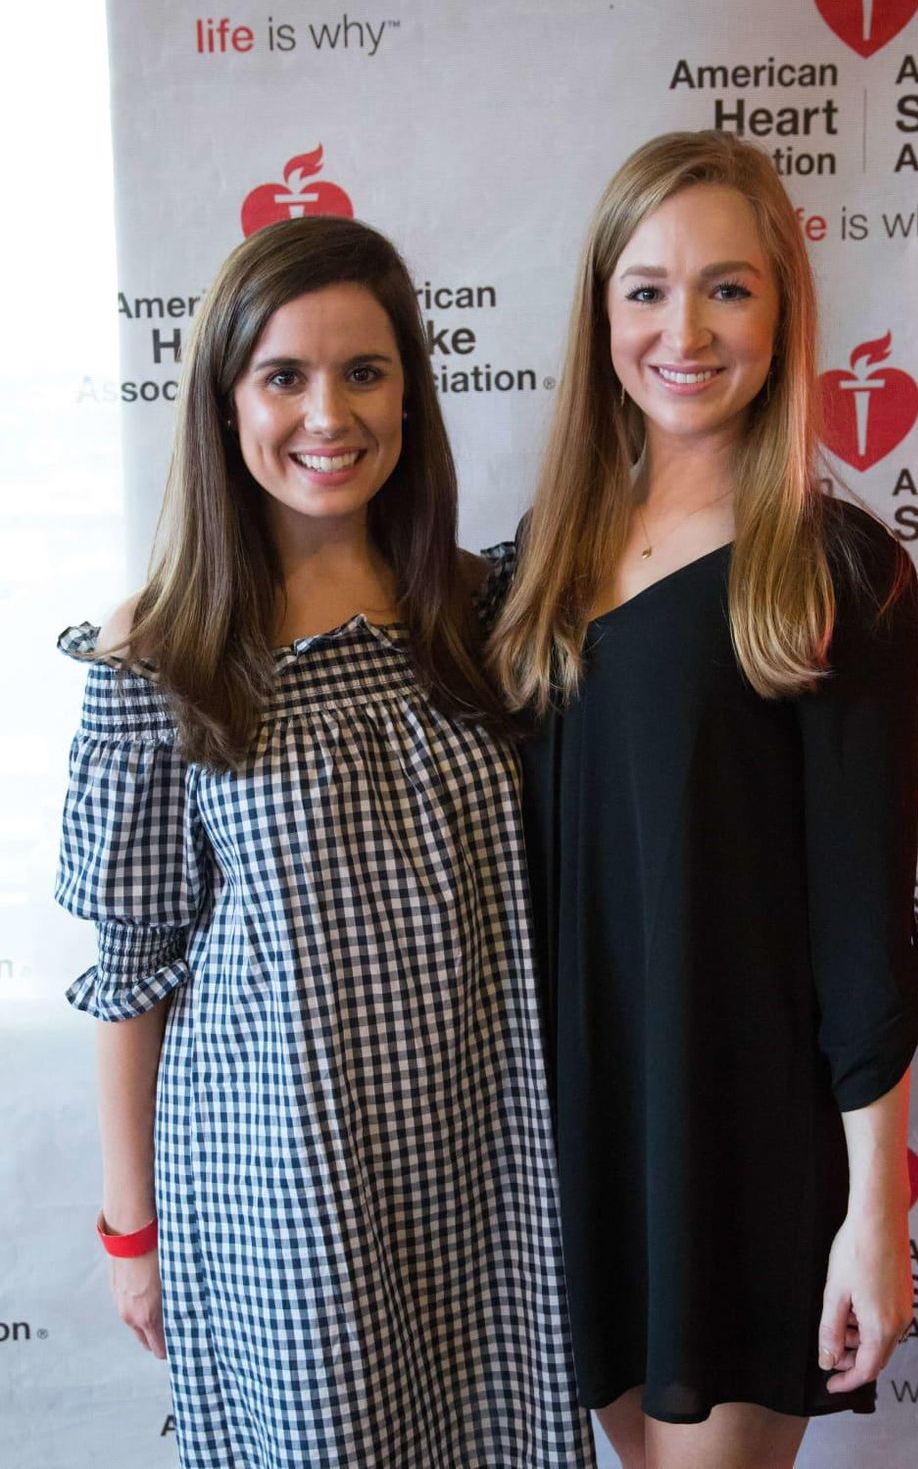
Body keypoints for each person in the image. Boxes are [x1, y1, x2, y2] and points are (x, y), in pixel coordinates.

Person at [55, 215, 594, 1469]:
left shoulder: (481, 611)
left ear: (409, 389)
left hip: (486, 1162)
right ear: (225, 403)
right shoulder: (161, 653)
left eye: (364, 370)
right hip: (277, 1186)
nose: (327, 414)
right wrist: (130, 1226)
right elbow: (133, 970)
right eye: (283, 376)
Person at [486, 131, 918, 1469]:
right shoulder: (529, 570)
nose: (685, 328)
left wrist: (876, 1216)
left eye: (729, 288)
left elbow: (864, 930)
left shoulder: (833, 571)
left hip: (735, 1146)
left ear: (785, 309)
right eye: (647, 289)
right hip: (573, 1138)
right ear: (600, 312)